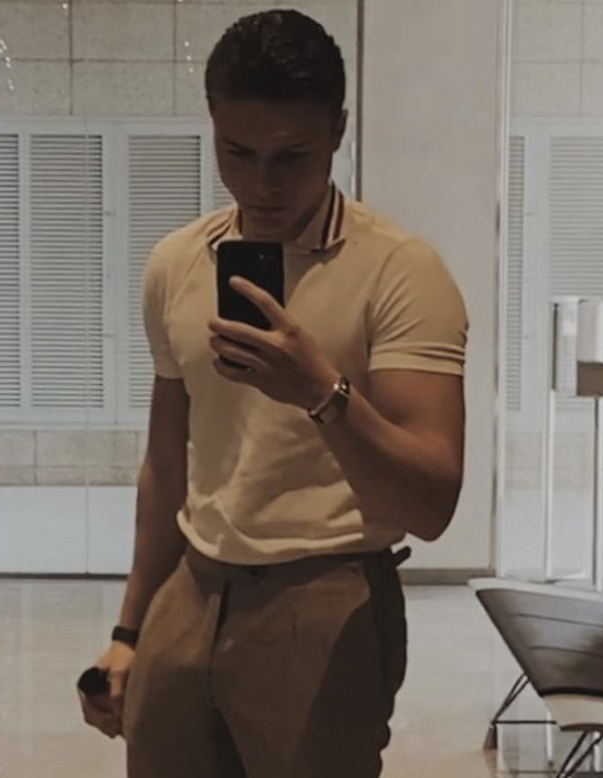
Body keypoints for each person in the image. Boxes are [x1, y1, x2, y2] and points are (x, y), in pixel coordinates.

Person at [79, 9, 468, 777]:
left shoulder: (401, 272)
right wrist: (129, 630)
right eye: (237, 152)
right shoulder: (177, 263)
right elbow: (166, 464)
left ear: (337, 130)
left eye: (292, 156)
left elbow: (430, 504)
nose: (262, 183)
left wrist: (321, 390)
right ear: (212, 124)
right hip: (192, 585)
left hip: (329, 592)